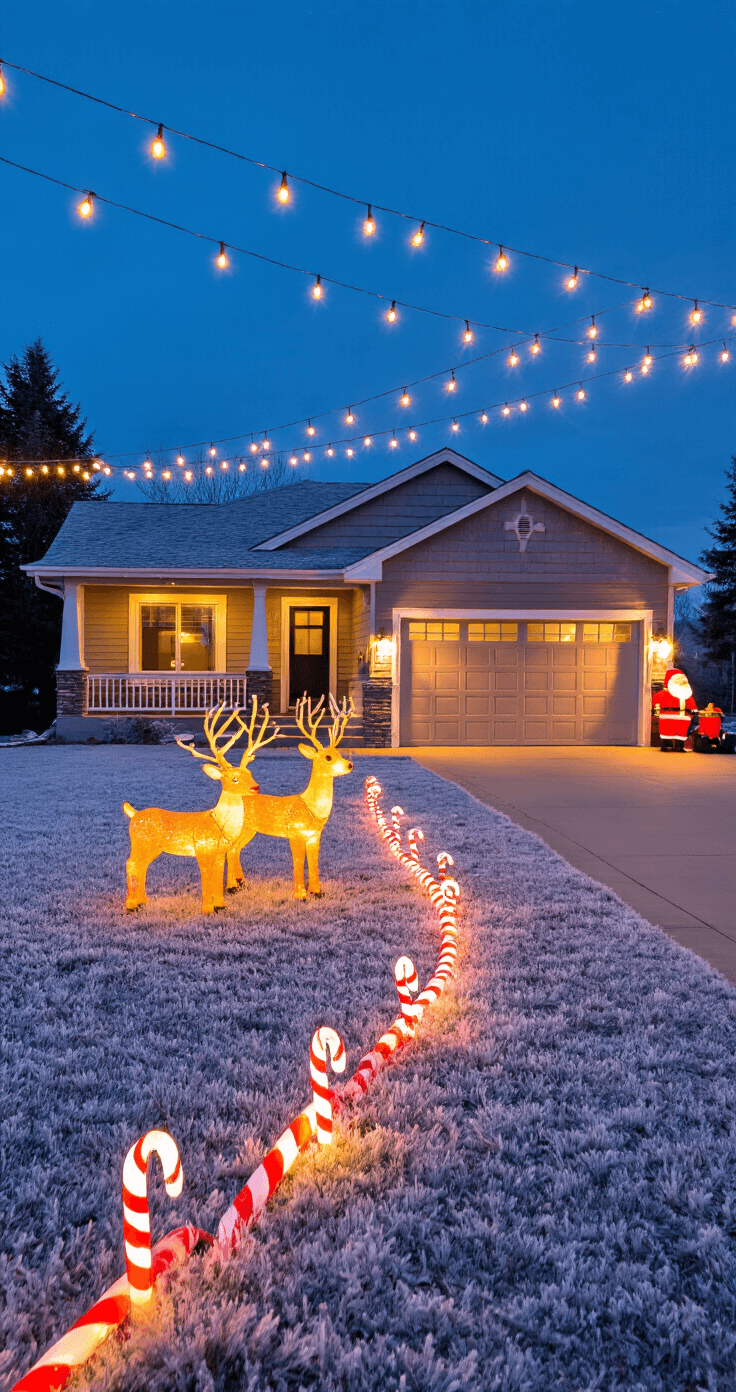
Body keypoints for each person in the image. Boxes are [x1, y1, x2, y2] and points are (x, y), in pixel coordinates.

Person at [653, 667, 697, 751]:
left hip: (678, 717)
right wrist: (694, 711)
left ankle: (675, 746)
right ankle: (671, 746)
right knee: (670, 732)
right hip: (674, 717)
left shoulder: (684, 693)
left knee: (677, 732)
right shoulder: (682, 693)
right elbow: (656, 700)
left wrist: (693, 710)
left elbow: (655, 700)